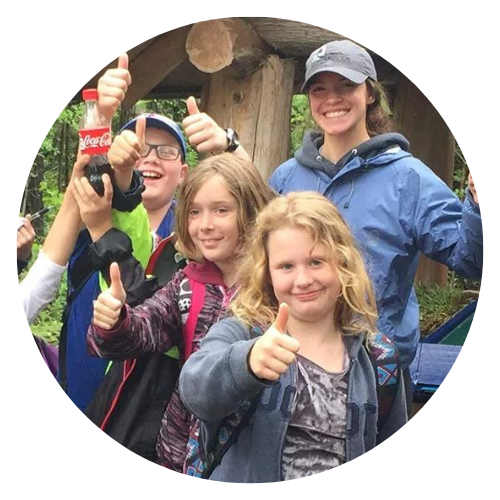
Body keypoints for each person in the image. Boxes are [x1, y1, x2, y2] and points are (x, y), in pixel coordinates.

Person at [184, 40, 482, 375]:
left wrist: (475, 201)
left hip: (376, 374)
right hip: (292, 369)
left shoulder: (408, 178)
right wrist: (229, 150)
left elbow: (470, 259)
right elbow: (259, 258)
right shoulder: (287, 176)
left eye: (346, 85)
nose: (332, 99)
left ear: (370, 93)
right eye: (319, 89)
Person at [179, 191, 408, 483]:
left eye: (316, 262)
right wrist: (246, 363)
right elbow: (195, 390)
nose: (302, 280)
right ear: (267, 273)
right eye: (286, 266)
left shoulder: (379, 359)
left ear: (343, 263)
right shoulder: (241, 331)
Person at [87, 153, 276, 471]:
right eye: (195, 212)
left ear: (251, 210)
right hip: (182, 452)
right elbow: (146, 327)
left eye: (221, 210)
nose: (205, 225)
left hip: (252, 453)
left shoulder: (276, 282)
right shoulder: (187, 283)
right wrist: (115, 321)